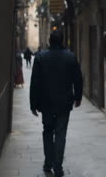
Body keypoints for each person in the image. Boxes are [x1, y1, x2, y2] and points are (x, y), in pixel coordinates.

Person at [30, 30, 83, 177]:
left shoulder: (40, 57)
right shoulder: (70, 57)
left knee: (47, 132)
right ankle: (58, 168)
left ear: (49, 41)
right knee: (60, 134)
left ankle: (48, 163)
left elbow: (35, 83)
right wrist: (78, 97)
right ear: (62, 41)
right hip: (64, 103)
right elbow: (78, 79)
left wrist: (33, 104)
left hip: (46, 103)